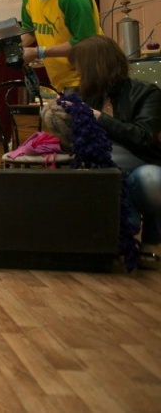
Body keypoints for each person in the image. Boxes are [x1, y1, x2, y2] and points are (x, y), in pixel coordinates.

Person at [69, 35, 161, 269]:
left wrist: (100, 118)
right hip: (104, 173)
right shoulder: (84, 96)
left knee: (152, 180)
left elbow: (143, 136)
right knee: (125, 226)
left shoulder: (147, 93)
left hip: (142, 165)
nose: (77, 74)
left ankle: (153, 239)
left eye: (81, 69)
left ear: (95, 67)